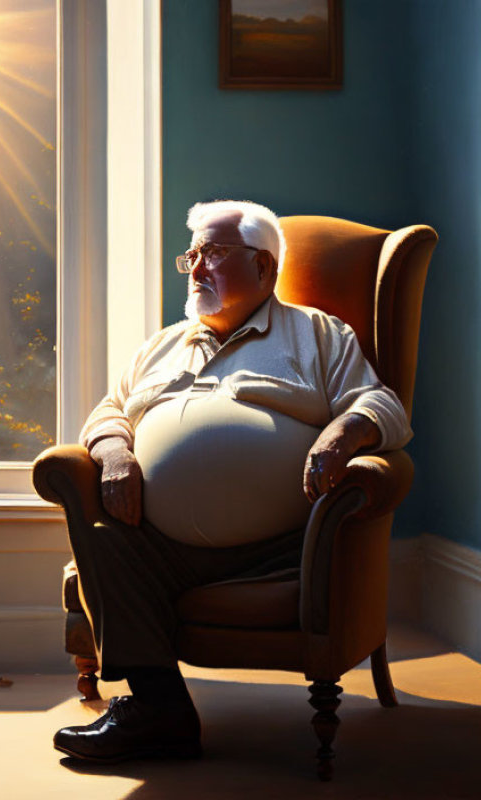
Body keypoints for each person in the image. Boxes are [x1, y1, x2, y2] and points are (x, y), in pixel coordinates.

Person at [52, 200, 412, 763]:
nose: (197, 267)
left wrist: (342, 434)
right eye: (192, 254)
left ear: (265, 267)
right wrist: (115, 450)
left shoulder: (316, 334)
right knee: (99, 538)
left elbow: (380, 403)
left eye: (215, 253)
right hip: (163, 545)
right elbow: (109, 408)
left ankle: (157, 715)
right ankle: (160, 711)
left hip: (281, 548)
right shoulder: (163, 343)